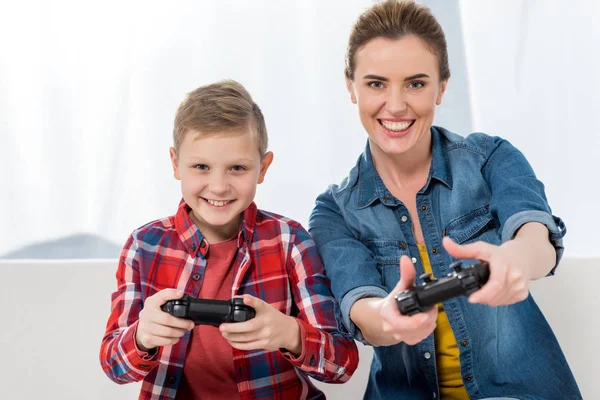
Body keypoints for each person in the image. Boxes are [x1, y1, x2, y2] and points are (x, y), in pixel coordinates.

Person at [308, 1, 581, 399]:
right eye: (376, 83)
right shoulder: (333, 212)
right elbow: (361, 309)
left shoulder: (491, 157)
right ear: (350, 86)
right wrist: (386, 318)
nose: (396, 105)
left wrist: (515, 261)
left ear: (442, 85)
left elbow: (536, 235)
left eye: (416, 83)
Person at [100, 79, 358, 400]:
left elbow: (343, 365)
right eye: (201, 167)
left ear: (262, 168)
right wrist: (141, 336)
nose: (219, 186)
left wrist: (289, 333)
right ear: (175, 163)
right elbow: (113, 365)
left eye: (237, 167)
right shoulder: (144, 246)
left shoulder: (290, 241)